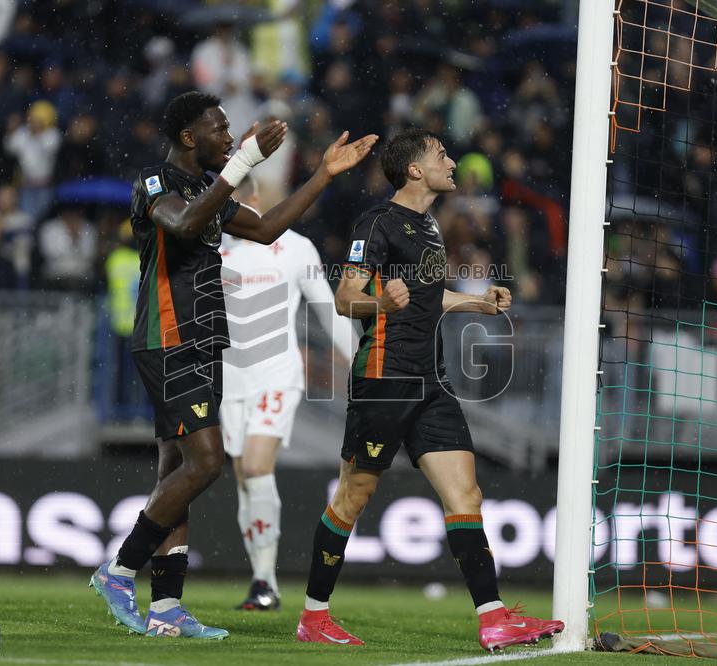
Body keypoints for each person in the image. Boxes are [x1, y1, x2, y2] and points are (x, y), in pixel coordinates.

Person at [89, 91, 377, 640]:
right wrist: (244, 161)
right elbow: (182, 225)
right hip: (166, 337)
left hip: (202, 341)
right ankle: (120, 568)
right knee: (207, 463)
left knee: (176, 470)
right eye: (220, 130)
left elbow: (268, 230)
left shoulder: (209, 191)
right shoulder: (157, 183)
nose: (230, 137)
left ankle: (167, 608)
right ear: (189, 137)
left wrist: (322, 176)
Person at [294, 128, 565, 651]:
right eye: (440, 154)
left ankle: (492, 618)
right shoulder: (375, 224)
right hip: (384, 377)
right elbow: (346, 298)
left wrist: (475, 303)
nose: (450, 160)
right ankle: (314, 615)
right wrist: (383, 305)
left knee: (466, 494)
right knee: (354, 494)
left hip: (432, 381)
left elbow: (426, 296)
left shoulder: (430, 227)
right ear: (414, 170)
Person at [219, 178, 358, 611]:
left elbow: (328, 308)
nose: (232, 204)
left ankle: (264, 583)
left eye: (240, 194)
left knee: (258, 467)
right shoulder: (215, 250)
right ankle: (264, 580)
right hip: (228, 381)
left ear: (256, 197)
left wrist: (360, 361)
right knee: (245, 478)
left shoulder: (296, 247)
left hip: (277, 375)